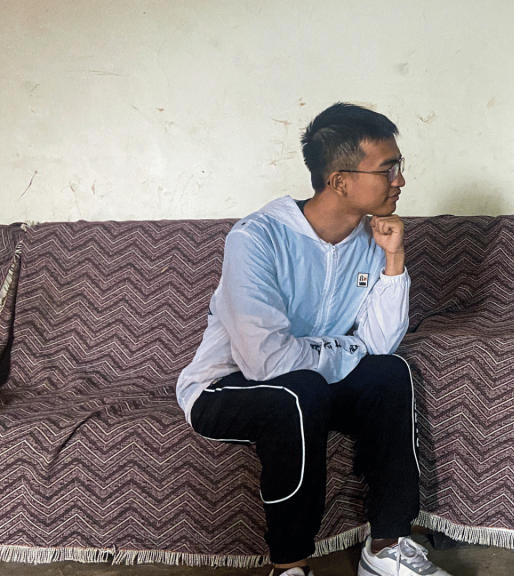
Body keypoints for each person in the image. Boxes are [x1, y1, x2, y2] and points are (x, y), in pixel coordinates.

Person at [176, 103, 451, 576]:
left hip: (313, 386)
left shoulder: (372, 238)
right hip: (225, 388)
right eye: (388, 168)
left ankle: (386, 547)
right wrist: (348, 350)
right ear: (340, 180)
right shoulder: (257, 238)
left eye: (399, 167)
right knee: (297, 392)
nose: (400, 180)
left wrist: (394, 259)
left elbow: (381, 346)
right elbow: (267, 363)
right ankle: (290, 566)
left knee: (390, 374)